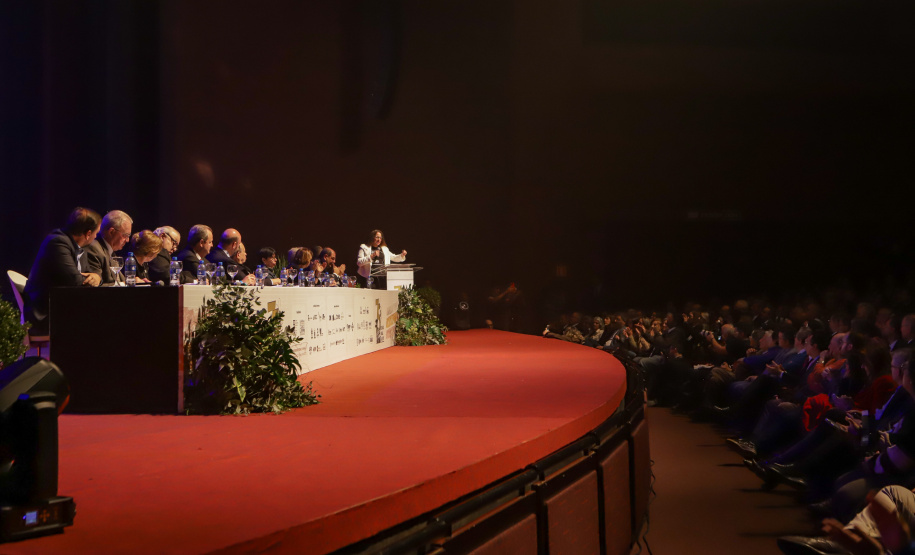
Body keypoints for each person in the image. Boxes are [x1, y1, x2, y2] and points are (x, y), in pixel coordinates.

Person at [23, 207, 103, 334]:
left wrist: (97, 277)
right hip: (46, 315)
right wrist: (89, 278)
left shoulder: (77, 245)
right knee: (101, 320)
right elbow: (75, 280)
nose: (95, 237)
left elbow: (91, 272)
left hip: (63, 309)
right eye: (96, 233)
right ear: (88, 234)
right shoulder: (57, 242)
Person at [83, 209, 133, 285]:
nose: (127, 240)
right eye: (125, 235)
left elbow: (120, 281)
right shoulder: (94, 249)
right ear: (111, 232)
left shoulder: (110, 251)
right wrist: (124, 283)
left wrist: (133, 280)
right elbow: (95, 285)